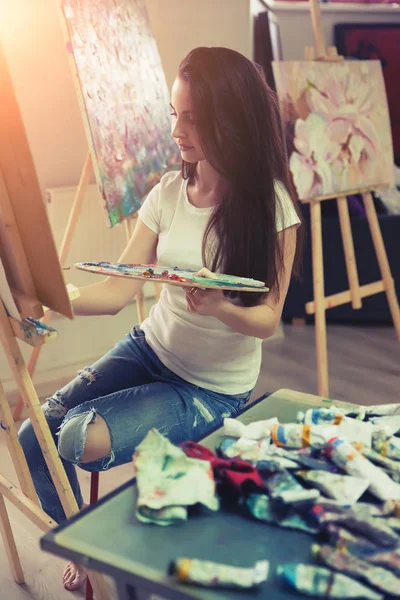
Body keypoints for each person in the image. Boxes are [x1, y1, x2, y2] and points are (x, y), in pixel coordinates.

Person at [19, 46, 302, 591]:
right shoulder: (168, 193)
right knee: (36, 436)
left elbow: (267, 318)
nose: (177, 130)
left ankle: (132, 534)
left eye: (193, 117)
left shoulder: (271, 206)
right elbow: (118, 289)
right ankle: (85, 539)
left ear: (230, 118)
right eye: (175, 113)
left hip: (210, 388)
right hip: (149, 350)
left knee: (79, 437)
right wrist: (52, 294)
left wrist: (219, 305)